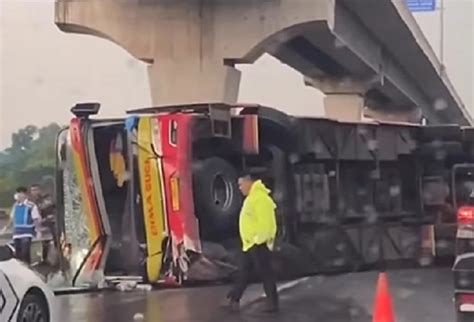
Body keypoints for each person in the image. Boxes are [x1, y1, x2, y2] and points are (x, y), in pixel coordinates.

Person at [227, 172, 279, 313]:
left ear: (249, 182)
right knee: (245, 271)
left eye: (241, 184)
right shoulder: (252, 198)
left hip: (258, 244)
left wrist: (258, 240)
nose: (239, 187)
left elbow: (267, 223)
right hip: (250, 244)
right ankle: (235, 298)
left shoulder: (261, 199)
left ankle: (272, 302)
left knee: (265, 273)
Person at [2, 187, 41, 264]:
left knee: (25, 252)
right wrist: (5, 229)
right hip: (17, 233)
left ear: (24, 194)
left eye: (19, 193)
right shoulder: (15, 206)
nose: (17, 195)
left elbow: (35, 219)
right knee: (18, 254)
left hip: (27, 233)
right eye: (17, 193)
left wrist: (38, 230)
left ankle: (27, 268)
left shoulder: (31, 206)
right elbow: (11, 218)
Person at [29, 184, 56, 263]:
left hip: (50, 223)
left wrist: (46, 218)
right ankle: (43, 259)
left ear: (40, 190)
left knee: (52, 241)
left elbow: (51, 208)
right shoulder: (31, 202)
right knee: (42, 242)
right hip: (39, 224)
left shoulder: (46, 199)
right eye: (32, 190)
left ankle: (53, 258)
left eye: (36, 190)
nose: (34, 192)